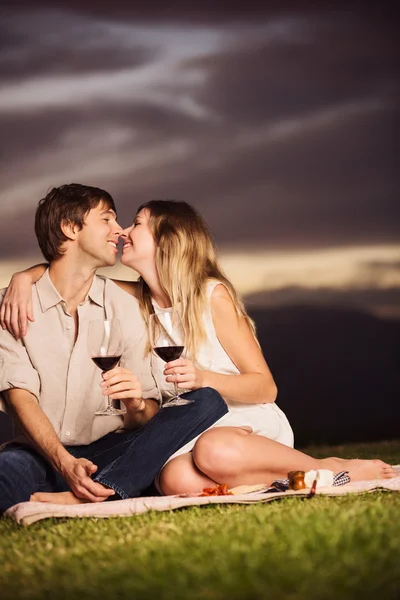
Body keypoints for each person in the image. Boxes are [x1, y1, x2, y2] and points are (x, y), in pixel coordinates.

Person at [2, 200, 396, 498]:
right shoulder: (136, 299)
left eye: (136, 223)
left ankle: (327, 468)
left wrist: (204, 378)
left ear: (166, 240)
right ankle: (276, 483)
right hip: (183, 429)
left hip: (241, 420)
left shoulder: (212, 296)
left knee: (215, 452)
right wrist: (24, 276)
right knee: (176, 480)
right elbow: (72, 274)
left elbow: (266, 388)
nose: (123, 231)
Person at [0, 187, 227, 513]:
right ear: (70, 227)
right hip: (40, 454)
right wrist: (65, 464)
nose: (119, 230)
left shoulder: (127, 305)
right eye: (107, 219)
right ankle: (116, 488)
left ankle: (104, 490)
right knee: (6, 473)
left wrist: (136, 403)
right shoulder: (11, 305)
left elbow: (147, 412)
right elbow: (20, 397)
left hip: (113, 450)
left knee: (204, 400)